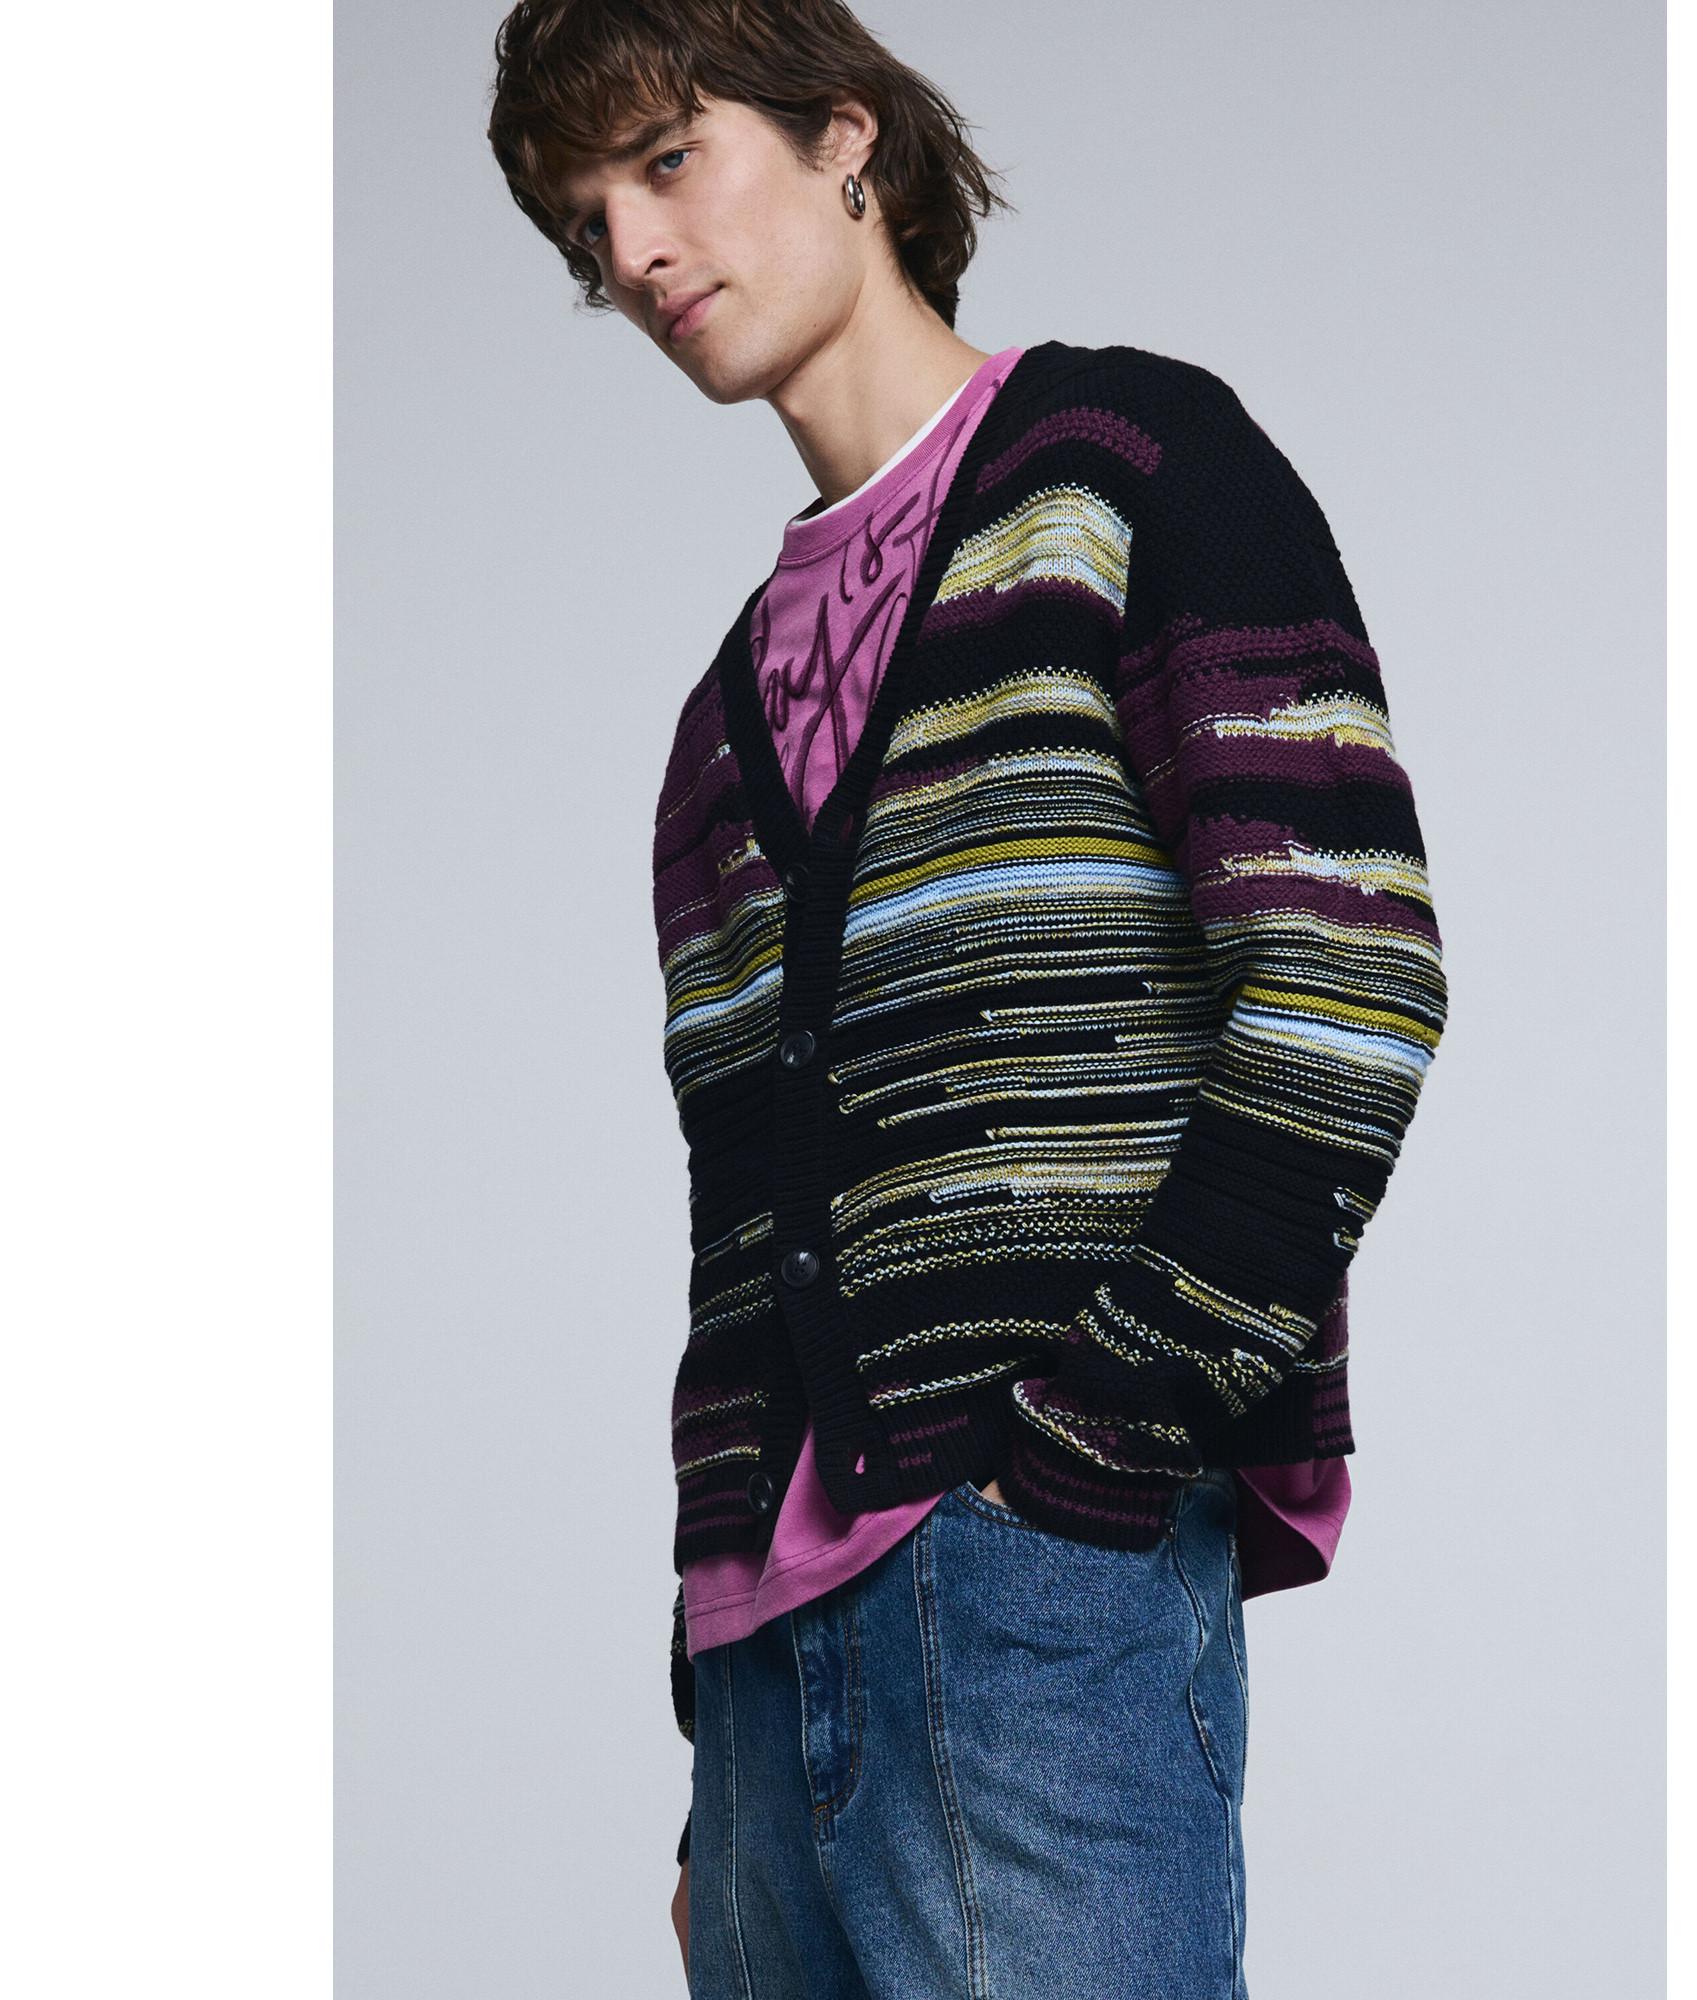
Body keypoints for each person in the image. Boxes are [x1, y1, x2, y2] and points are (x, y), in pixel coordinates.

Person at [487, 5, 1449, 1993]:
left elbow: (1349, 970)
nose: (633, 252)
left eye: (664, 162)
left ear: (845, 136)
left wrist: (1088, 1454)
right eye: (588, 224)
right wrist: (716, 1741)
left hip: (1035, 1591)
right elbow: (748, 1243)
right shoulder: (715, 735)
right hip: (760, 1685)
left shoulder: (1125, 468)